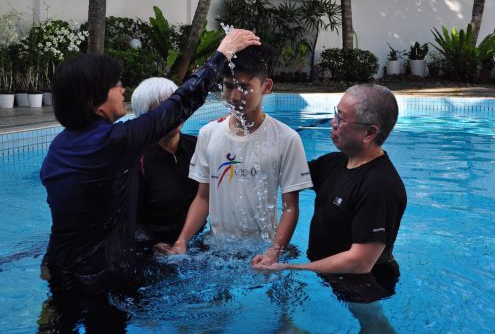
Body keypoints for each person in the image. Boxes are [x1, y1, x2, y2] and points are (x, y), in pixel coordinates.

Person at [39, 28, 260, 293]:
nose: (122, 89)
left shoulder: (60, 146)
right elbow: (181, 103)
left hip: (60, 266)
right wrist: (223, 52)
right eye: (114, 84)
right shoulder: (113, 143)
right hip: (100, 277)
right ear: (94, 103)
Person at [253, 83, 407, 334]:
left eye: (342, 119)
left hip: (363, 281)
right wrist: (239, 128)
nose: (333, 123)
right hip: (330, 270)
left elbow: (360, 262)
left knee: (375, 331)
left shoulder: (380, 185)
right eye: (336, 113)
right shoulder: (336, 162)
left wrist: (294, 267)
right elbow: (283, 170)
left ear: (369, 133)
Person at [165, 45, 313, 265]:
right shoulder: (208, 133)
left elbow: (290, 207)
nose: (234, 96)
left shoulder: (286, 138)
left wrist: (273, 252)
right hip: (216, 248)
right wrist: (182, 241)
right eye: (229, 86)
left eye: (244, 87)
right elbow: (203, 198)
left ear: (266, 86)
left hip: (262, 249)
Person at [131, 77, 201, 248]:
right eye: (164, 108)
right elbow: (129, 221)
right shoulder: (136, 162)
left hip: (197, 242)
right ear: (145, 117)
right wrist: (152, 245)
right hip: (159, 250)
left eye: (176, 105)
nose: (174, 113)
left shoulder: (199, 146)